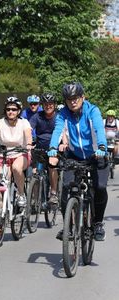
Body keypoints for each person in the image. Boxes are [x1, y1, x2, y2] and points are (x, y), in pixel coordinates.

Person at [48, 82, 108, 241]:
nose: (72, 101)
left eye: (75, 98)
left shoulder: (92, 110)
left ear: (83, 97)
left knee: (100, 187)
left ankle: (98, 223)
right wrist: (52, 148)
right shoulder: (63, 113)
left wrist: (102, 147)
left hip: (96, 155)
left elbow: (99, 129)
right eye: (69, 99)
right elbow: (57, 130)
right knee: (66, 188)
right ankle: (68, 227)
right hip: (74, 156)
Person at [0, 97, 33, 207]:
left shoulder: (24, 122)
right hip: (5, 155)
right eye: (8, 109)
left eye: (13, 109)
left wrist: (28, 145)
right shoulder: (1, 122)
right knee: (0, 180)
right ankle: (0, 210)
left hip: (21, 153)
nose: (10, 112)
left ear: (18, 111)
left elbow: (28, 135)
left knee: (16, 168)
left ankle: (21, 194)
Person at [29, 92, 60, 205]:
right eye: (46, 104)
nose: (48, 106)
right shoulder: (37, 116)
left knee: (52, 165)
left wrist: (64, 144)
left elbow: (63, 132)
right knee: (35, 171)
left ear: (54, 105)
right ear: (42, 105)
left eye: (50, 104)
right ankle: (35, 199)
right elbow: (28, 129)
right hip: (40, 148)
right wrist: (28, 142)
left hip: (55, 149)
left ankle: (53, 193)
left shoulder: (59, 117)